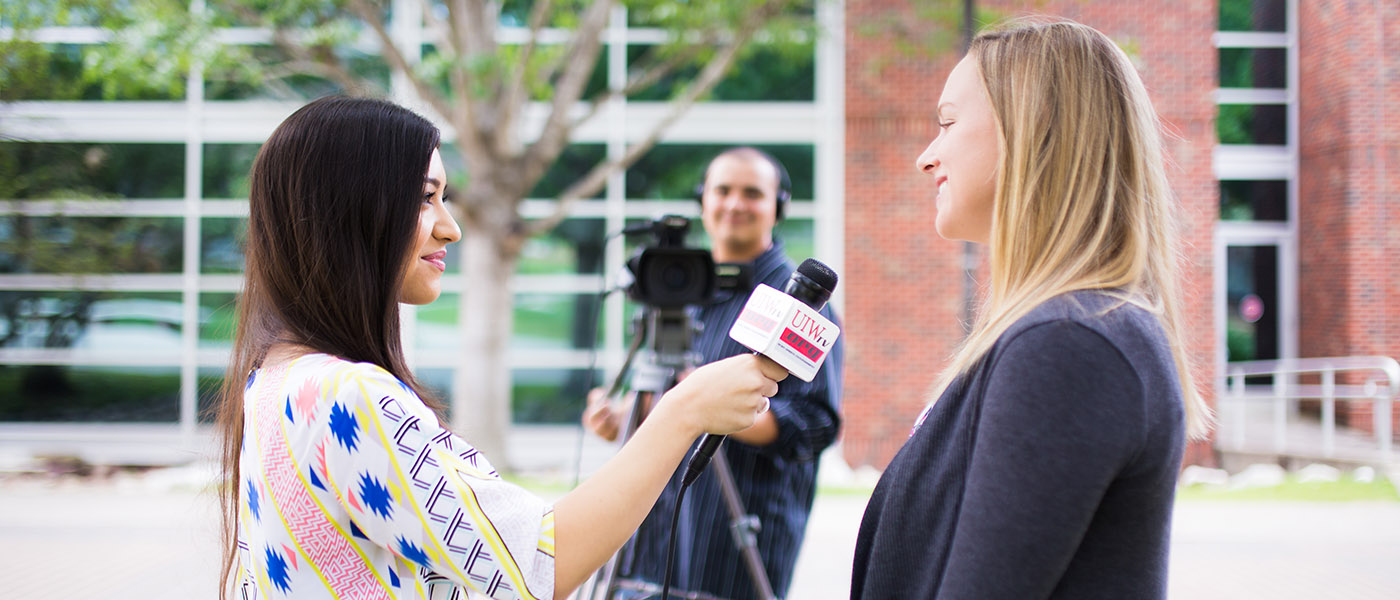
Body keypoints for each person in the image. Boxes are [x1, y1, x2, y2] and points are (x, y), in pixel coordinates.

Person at [211, 96, 789, 600]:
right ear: (352, 210)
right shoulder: (347, 393)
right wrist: (682, 413)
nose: (449, 227)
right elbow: (537, 568)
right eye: (425, 198)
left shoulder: (274, 380)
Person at [849, 20, 1212, 599]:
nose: (926, 156)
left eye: (947, 123)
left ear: (1034, 130)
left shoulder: (1072, 343)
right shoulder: (1071, 332)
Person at [582, 147, 845, 599]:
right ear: (703, 200)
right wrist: (626, 414)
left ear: (777, 207)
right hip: (645, 547)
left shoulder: (801, 311)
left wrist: (709, 405)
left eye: (752, 193)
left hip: (730, 551)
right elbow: (673, 400)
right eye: (723, 190)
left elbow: (814, 427)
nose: (735, 204)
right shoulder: (680, 290)